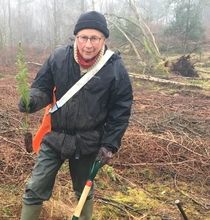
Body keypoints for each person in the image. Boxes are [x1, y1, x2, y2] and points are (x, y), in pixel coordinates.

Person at [18, 10, 133, 220]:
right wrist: (32, 100)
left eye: (94, 38)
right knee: (35, 187)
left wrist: (109, 145)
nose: (88, 45)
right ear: (76, 37)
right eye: (83, 38)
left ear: (104, 39)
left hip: (89, 141)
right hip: (55, 136)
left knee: (84, 190)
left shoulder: (115, 68)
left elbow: (121, 110)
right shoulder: (58, 58)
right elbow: (42, 88)